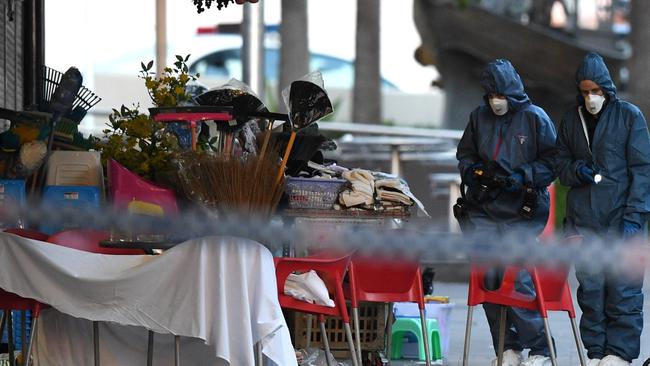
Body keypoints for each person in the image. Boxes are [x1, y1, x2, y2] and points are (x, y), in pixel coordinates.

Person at [456, 59, 557, 366]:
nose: (495, 101)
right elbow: (465, 154)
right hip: (484, 210)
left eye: (499, 94)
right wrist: (473, 172)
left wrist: (523, 176)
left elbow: (553, 162)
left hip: (522, 212)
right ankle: (507, 347)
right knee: (489, 278)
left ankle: (540, 348)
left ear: (511, 91)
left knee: (519, 278)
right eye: (490, 95)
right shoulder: (479, 117)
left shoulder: (535, 118)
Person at [555, 52, 650, 366]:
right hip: (584, 220)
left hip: (622, 217)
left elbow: (642, 169)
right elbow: (560, 165)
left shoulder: (629, 116)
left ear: (607, 89)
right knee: (592, 291)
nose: (590, 97)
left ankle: (620, 354)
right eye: (585, 91)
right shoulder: (570, 120)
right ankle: (597, 353)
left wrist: (635, 216)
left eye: (595, 91)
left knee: (623, 289)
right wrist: (575, 170)